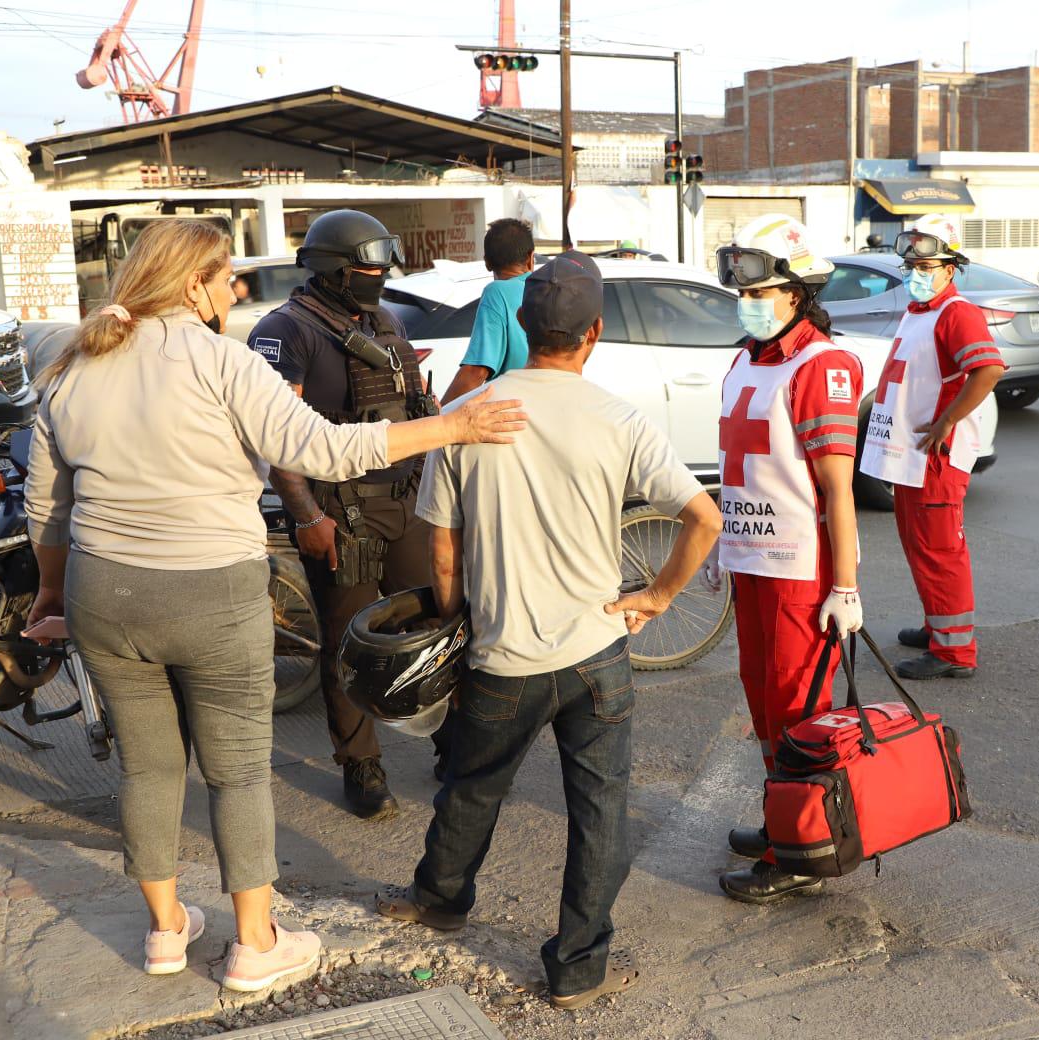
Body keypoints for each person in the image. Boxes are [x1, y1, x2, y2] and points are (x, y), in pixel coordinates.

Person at [23, 219, 524, 992]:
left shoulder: (74, 366)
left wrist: (53, 593)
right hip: (207, 589)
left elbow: (47, 508)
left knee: (149, 770)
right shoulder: (224, 364)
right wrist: (455, 425)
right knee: (236, 773)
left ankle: (164, 933)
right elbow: (325, 450)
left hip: (102, 591)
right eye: (225, 275)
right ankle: (254, 943)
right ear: (191, 284)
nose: (237, 288)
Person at [373, 252, 721, 1010]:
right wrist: (656, 596)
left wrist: (459, 622)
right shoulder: (621, 419)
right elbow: (704, 518)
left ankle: (439, 901)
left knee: (471, 788)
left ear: (523, 326)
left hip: (502, 654)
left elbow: (443, 548)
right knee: (600, 812)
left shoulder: (473, 416)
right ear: (594, 332)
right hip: (598, 653)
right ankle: (578, 969)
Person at [248, 209, 442, 817]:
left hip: (406, 500)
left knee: (435, 626)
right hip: (341, 511)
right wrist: (306, 515)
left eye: (382, 268)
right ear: (333, 269)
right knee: (349, 644)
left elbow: (416, 405)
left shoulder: (382, 320)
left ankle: (453, 746)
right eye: (366, 268)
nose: (378, 278)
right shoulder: (285, 330)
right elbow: (274, 436)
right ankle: (362, 766)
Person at [708, 214, 865, 905]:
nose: (750, 301)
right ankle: (785, 827)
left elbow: (837, 491)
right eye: (744, 289)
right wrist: (723, 537)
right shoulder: (745, 359)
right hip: (752, 566)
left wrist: (846, 586)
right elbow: (738, 470)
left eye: (763, 289)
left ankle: (801, 851)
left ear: (798, 292)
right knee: (764, 707)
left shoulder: (821, 365)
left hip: (800, 576)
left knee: (798, 716)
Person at [858, 214, 1004, 680]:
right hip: (911, 456)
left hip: (935, 458)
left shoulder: (957, 313)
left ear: (950, 267)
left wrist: (947, 421)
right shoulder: (921, 312)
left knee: (940, 551)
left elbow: (988, 370)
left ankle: (954, 652)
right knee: (920, 546)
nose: (915, 273)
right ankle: (936, 626)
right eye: (911, 265)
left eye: (926, 266)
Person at [440, 217, 536, 405]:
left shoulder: (497, 292)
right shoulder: (547, 287)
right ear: (531, 257)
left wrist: (438, 417)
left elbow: (477, 372)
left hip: (514, 416)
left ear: (487, 262)